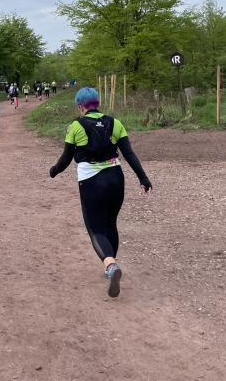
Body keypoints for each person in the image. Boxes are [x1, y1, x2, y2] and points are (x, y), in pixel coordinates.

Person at [48, 87, 152, 298]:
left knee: (95, 229)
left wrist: (54, 171)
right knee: (110, 223)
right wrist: (143, 178)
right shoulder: (115, 123)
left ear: (80, 106)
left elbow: (66, 159)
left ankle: (111, 266)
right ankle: (111, 265)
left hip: (91, 181)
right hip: (116, 178)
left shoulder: (76, 126)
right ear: (98, 104)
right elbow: (129, 153)